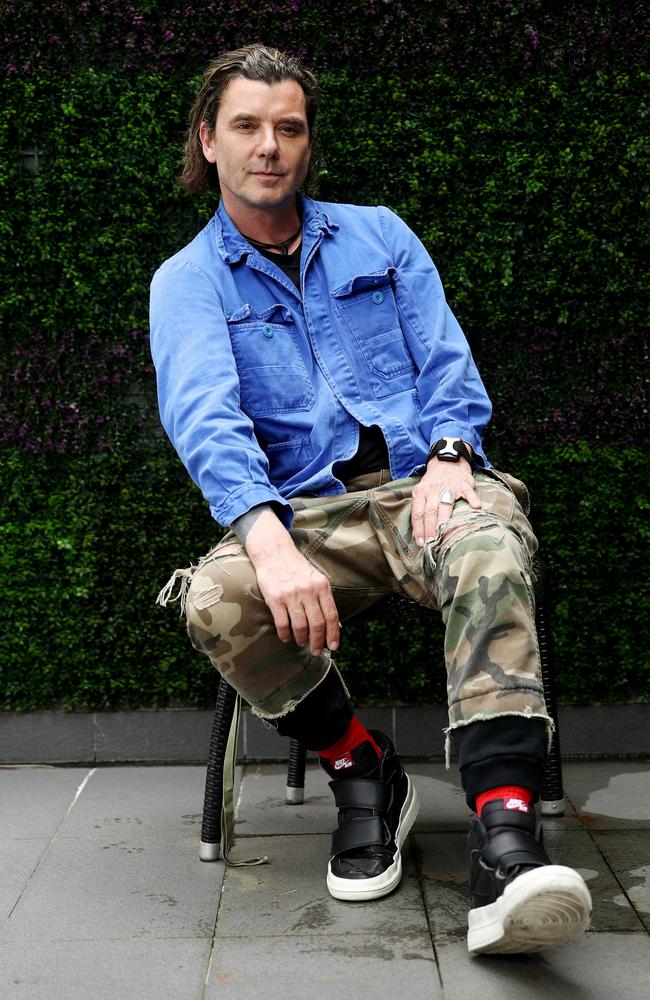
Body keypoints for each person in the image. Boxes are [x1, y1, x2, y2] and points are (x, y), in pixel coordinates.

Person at [150, 43, 591, 954]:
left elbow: (447, 369)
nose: (269, 145)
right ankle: (365, 770)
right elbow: (206, 418)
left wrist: (449, 455)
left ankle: (505, 837)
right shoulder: (187, 282)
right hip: (303, 515)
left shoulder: (381, 234)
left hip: (424, 482)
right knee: (216, 599)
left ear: (307, 144)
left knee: (486, 545)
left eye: (289, 126)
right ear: (210, 139)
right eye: (246, 126)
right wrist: (266, 539)